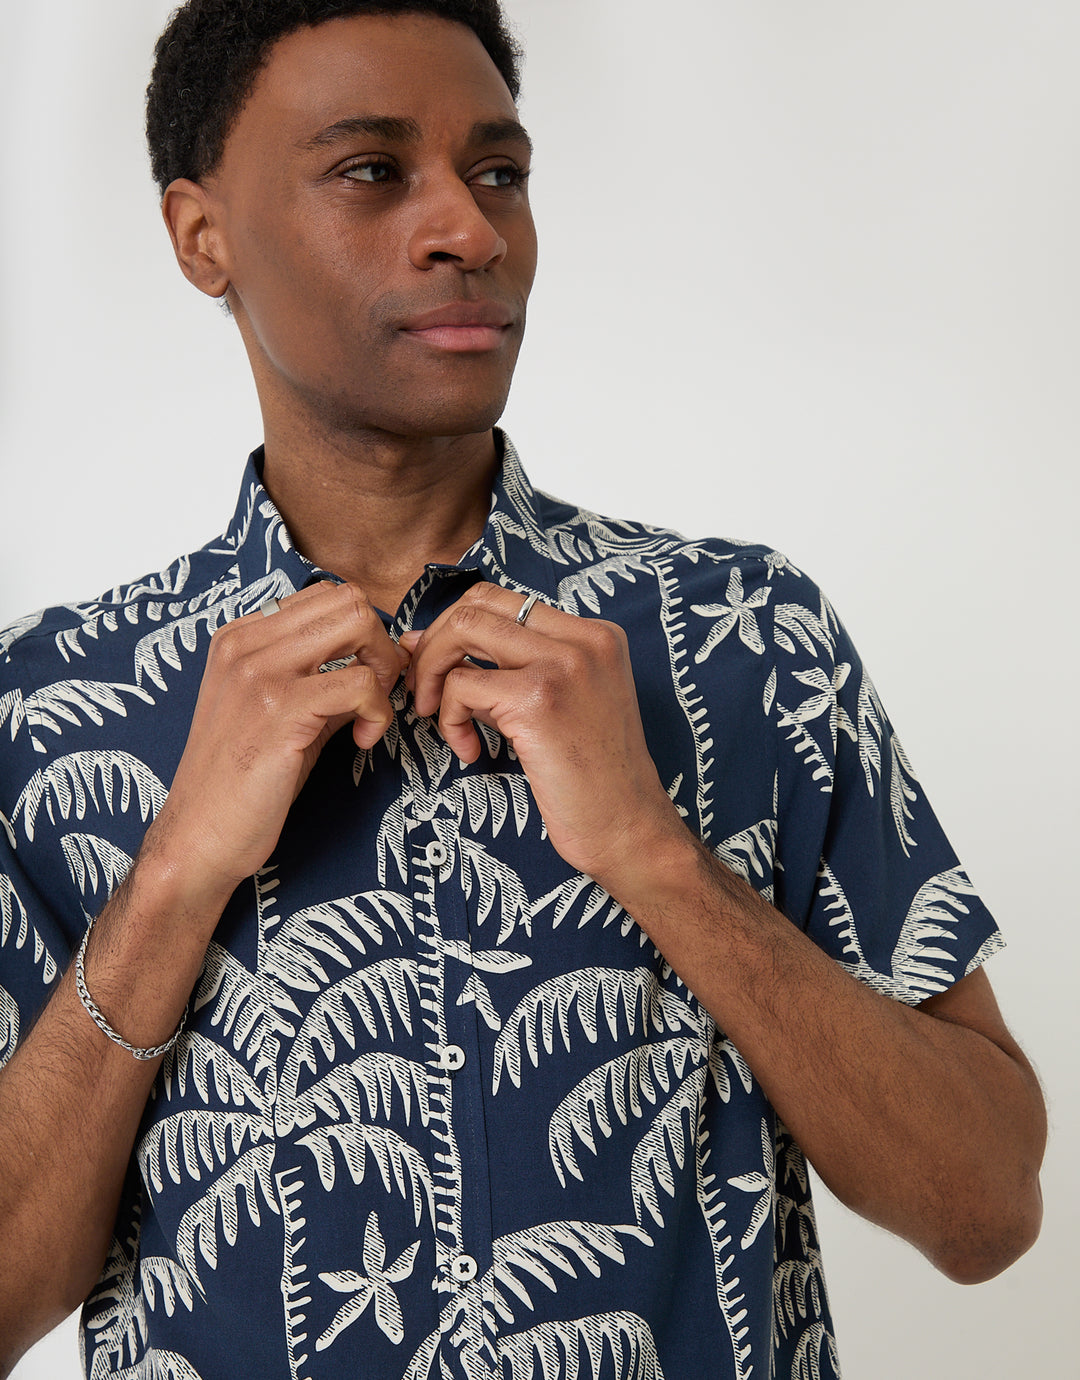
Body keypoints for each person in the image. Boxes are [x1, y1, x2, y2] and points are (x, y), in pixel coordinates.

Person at [0, 2, 1046, 1378]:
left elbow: (986, 1210)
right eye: (372, 171)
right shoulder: (49, 707)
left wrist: (656, 854)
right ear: (203, 236)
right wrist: (175, 877)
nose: (470, 230)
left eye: (498, 171)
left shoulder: (745, 637)